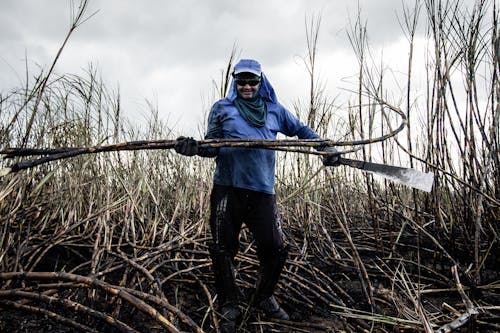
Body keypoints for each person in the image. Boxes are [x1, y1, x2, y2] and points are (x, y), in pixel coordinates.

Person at [174, 59, 339, 332]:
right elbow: (211, 146)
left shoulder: (274, 110)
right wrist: (193, 148)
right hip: (228, 188)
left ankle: (263, 297)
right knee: (222, 248)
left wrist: (325, 146)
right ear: (234, 82)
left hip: (262, 191)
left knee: (275, 247)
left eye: (253, 82)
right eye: (242, 82)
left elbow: (300, 131)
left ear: (261, 82)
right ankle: (230, 304)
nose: (247, 87)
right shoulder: (222, 108)